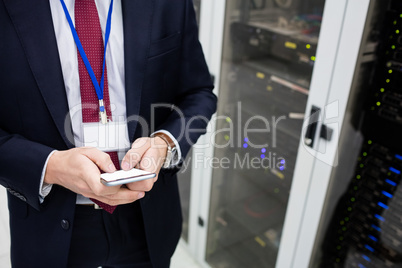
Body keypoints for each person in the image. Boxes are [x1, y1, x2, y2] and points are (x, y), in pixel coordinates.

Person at [0, 0, 217, 267]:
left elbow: (199, 93)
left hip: (147, 219)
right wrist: (51, 166)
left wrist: (165, 143)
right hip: (48, 224)